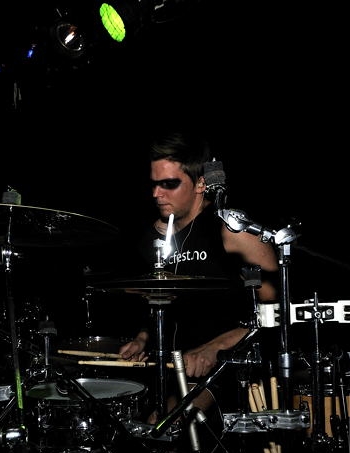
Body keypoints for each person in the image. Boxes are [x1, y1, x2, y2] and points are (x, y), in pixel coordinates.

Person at [117, 128, 279, 418]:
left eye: (169, 184)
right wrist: (142, 339)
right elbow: (161, 303)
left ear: (201, 184)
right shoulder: (152, 239)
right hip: (169, 367)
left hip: (228, 370)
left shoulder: (231, 233)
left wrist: (214, 347)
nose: (156, 194)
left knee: (163, 426)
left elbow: (279, 313)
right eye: (154, 184)